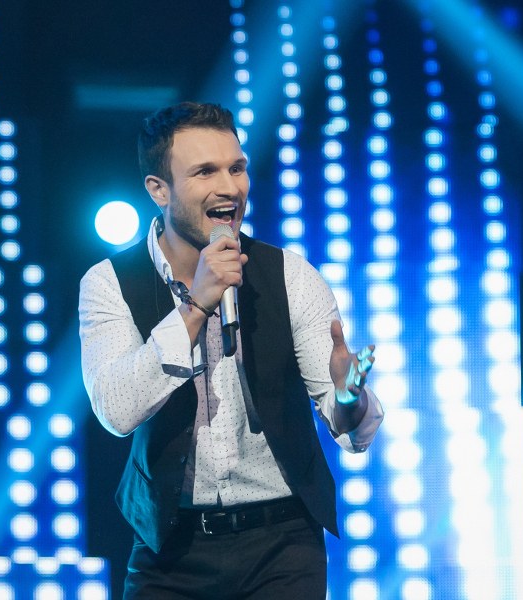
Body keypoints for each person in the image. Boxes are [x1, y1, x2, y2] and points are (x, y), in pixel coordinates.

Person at [79, 102, 384, 599]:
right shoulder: (109, 283)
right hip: (169, 548)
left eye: (236, 168)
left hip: (282, 544)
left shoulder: (290, 275)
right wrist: (197, 304)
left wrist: (350, 399)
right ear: (159, 189)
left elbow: (349, 427)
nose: (229, 187)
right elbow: (117, 410)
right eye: (205, 172)